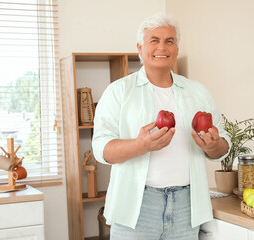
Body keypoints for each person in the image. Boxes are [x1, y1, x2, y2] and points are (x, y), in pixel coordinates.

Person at [92, 13, 231, 240]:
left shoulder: (198, 92)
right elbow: (101, 148)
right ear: (140, 47)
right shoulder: (119, 91)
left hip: (187, 207)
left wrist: (213, 145)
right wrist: (139, 145)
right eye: (154, 40)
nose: (162, 47)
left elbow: (222, 147)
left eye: (169, 41)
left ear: (176, 48)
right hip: (136, 209)